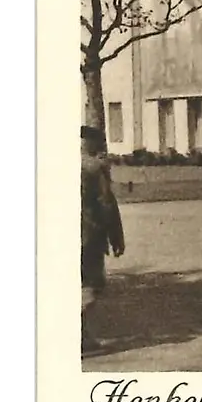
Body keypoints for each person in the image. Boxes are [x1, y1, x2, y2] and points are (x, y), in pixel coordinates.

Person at [81, 125, 126, 353]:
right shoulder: (94, 168)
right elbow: (106, 203)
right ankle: (78, 333)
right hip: (88, 235)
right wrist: (116, 237)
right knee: (92, 284)